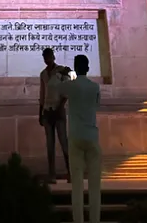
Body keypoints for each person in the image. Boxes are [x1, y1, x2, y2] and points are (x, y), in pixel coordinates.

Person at [59, 55, 101, 223]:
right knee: (95, 187)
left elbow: (53, 86)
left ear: (76, 68)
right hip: (91, 135)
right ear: (88, 68)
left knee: (77, 186)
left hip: (75, 136)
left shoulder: (70, 86)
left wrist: (64, 74)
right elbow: (96, 105)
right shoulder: (95, 87)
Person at [39, 47, 70, 183]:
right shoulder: (43, 74)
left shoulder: (61, 71)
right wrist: (40, 112)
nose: (48, 59)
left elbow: (67, 90)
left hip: (58, 110)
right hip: (47, 111)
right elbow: (42, 93)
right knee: (50, 144)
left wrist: (60, 105)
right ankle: (52, 174)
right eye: (45, 57)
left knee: (64, 142)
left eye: (49, 56)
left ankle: (71, 172)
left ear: (53, 56)